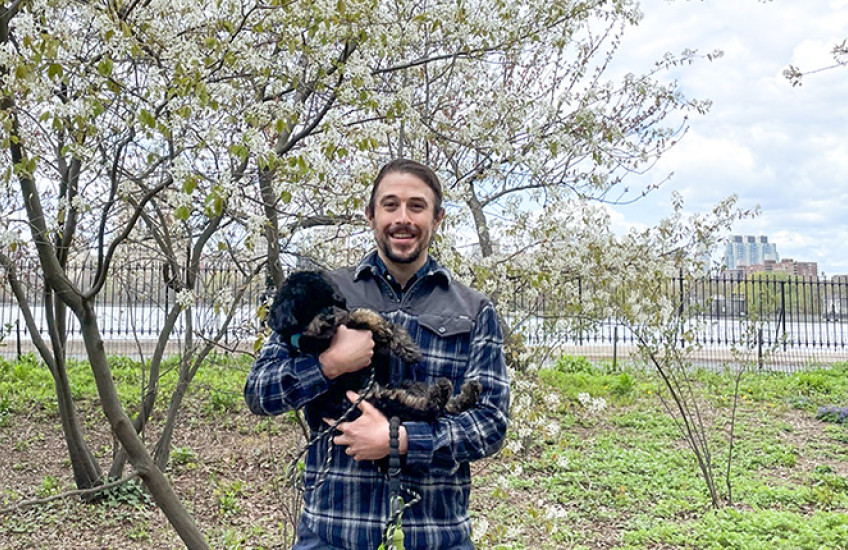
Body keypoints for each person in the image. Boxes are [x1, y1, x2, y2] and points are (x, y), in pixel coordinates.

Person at [244, 158, 510, 550]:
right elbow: (259, 393)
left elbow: (491, 423)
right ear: (371, 215)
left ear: (437, 219)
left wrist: (402, 440)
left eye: (416, 206)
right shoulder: (323, 292)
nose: (403, 218)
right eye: (390, 205)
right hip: (332, 534)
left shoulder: (473, 310)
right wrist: (328, 365)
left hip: (434, 537)